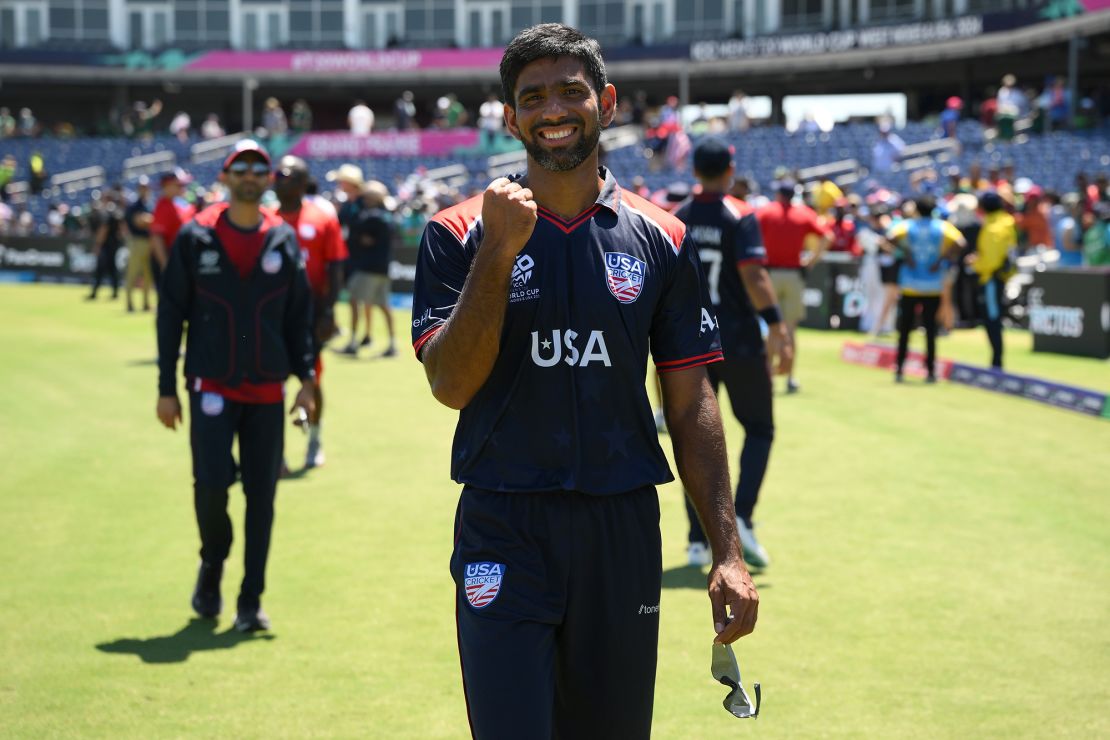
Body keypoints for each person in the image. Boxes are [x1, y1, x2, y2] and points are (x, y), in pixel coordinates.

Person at [410, 24, 757, 739]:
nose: (552, 109)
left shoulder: (663, 236)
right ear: (510, 118)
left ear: (607, 101)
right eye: (531, 97)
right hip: (503, 525)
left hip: (620, 527)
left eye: (571, 91)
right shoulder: (457, 233)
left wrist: (726, 550)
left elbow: (691, 400)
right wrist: (500, 253)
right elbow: (450, 385)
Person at [155, 140, 316, 632]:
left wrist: (307, 382)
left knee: (262, 498)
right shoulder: (194, 235)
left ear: (269, 179)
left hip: (267, 391)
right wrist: (166, 386)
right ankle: (212, 562)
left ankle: (251, 599)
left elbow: (299, 319)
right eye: (239, 167)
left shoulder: (283, 239)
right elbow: (170, 315)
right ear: (224, 177)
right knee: (210, 488)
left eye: (259, 168)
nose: (250, 174)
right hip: (210, 386)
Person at [675, 138, 793, 570]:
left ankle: (696, 540)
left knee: (694, 437)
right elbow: (754, 275)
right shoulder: (740, 214)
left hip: (692, 343)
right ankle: (741, 516)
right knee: (759, 428)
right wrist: (778, 326)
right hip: (739, 340)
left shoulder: (679, 216)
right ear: (729, 170)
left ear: (694, 171)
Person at [267, 155, 347, 470]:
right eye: (278, 175)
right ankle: (276, 451)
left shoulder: (323, 218)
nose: (280, 180)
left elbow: (336, 266)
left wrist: (328, 312)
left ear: (302, 183)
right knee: (272, 382)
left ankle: (314, 439)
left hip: (310, 316)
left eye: (288, 176)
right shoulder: (264, 218)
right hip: (271, 315)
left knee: (311, 379)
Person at [755, 177, 831, 393]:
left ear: (779, 193)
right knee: (790, 329)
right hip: (794, 275)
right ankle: (789, 377)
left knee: (772, 327)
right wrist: (810, 261)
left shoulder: (766, 212)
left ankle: (768, 374)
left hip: (769, 275)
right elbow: (827, 236)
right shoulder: (804, 213)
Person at [885, 195, 965, 382]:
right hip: (932, 286)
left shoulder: (908, 225)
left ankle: (899, 368)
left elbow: (889, 238)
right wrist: (942, 259)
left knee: (905, 329)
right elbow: (960, 243)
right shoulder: (941, 226)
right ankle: (930, 371)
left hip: (910, 285)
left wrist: (906, 254)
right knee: (930, 330)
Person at [341, 180, 397, 357]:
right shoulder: (387, 215)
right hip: (383, 268)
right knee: (383, 306)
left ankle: (352, 343)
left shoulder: (371, 216)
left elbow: (354, 227)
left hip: (368, 268)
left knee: (353, 301)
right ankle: (392, 344)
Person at [971, 192, 1017, 369]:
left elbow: (990, 261)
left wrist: (975, 263)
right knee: (993, 318)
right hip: (1000, 276)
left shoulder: (993, 227)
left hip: (991, 278)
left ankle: (996, 361)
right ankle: (996, 359)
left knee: (992, 319)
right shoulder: (1006, 221)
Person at [150, 170, 196, 289]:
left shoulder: (177, 204)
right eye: (179, 185)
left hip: (181, 259)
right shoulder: (163, 206)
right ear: (167, 186)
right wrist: (166, 267)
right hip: (171, 260)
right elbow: (157, 239)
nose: (183, 188)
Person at [86, 191, 126, 301]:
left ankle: (94, 293)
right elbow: (122, 230)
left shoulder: (107, 211)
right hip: (114, 244)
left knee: (100, 269)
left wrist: (98, 245)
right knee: (113, 269)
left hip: (106, 245)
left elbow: (104, 229)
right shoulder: (117, 211)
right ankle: (115, 293)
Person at [123, 177, 154, 312]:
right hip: (137, 242)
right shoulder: (134, 205)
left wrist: (149, 220)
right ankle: (129, 304)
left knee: (149, 274)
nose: (144, 190)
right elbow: (138, 222)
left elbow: (151, 221)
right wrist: (150, 220)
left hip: (150, 241)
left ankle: (146, 304)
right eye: (142, 187)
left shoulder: (150, 204)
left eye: (146, 187)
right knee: (132, 273)